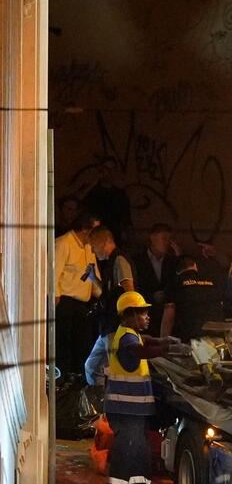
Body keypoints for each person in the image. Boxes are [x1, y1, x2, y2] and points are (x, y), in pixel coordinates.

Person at [102, 291, 185, 484]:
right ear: (129, 315)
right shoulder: (127, 338)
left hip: (133, 409)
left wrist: (165, 341)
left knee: (139, 449)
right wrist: (168, 349)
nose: (147, 316)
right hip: (125, 408)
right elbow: (141, 350)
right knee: (127, 450)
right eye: (142, 313)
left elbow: (147, 341)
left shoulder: (130, 333)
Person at [55, 213, 102, 376]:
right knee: (64, 343)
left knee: (82, 343)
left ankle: (79, 377)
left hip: (83, 303)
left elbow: (92, 273)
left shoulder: (90, 247)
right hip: (65, 301)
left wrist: (103, 295)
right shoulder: (63, 243)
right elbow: (54, 272)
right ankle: (62, 378)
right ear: (85, 229)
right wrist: (54, 296)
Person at [162, 256, 223, 341]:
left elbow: (169, 317)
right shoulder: (211, 281)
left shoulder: (175, 283)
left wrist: (163, 341)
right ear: (194, 265)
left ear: (177, 271)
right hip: (216, 337)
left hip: (190, 339)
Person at [132, 223, 178, 335]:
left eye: (169, 239)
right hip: (147, 315)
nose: (167, 243)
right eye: (164, 238)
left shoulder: (172, 261)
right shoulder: (138, 261)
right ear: (152, 238)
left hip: (166, 316)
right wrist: (151, 296)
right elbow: (135, 286)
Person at [89, 226, 135, 336]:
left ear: (104, 243)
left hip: (117, 325)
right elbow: (108, 294)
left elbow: (129, 291)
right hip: (110, 324)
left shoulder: (119, 260)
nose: (92, 250)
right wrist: (93, 277)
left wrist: (128, 322)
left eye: (94, 246)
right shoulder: (111, 262)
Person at [82, 157, 133, 246]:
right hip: (96, 239)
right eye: (106, 169)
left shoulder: (120, 194)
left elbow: (126, 217)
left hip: (114, 239)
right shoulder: (93, 193)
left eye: (112, 169)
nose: (109, 173)